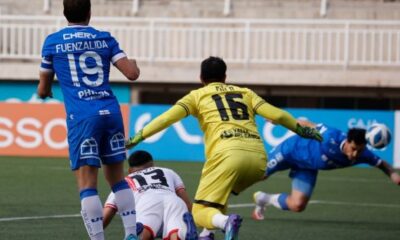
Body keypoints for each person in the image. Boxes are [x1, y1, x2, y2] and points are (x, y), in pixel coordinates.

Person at [125, 56, 322, 240]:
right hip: (258, 160)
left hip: (227, 156)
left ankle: (225, 222)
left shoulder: (197, 96)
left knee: (199, 212)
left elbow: (166, 118)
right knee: (220, 196)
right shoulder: (245, 93)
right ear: (225, 77)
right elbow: (278, 116)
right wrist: (302, 131)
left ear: (201, 78)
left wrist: (137, 137)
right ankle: (206, 234)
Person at [37, 0, 140, 239]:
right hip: (111, 112)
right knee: (118, 179)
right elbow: (132, 73)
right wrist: (133, 64)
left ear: (64, 13)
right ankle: (131, 233)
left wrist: (47, 90)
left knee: (87, 184)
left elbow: (43, 88)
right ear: (89, 12)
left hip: (82, 117)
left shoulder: (52, 42)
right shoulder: (105, 38)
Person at [252, 121, 400, 220]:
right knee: (258, 175)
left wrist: (394, 175)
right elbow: (306, 124)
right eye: (354, 149)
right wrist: (279, 120)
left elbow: (383, 165)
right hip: (291, 151)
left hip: (307, 167)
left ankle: (264, 199)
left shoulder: (363, 155)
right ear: (348, 141)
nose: (355, 155)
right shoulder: (330, 136)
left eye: (360, 151)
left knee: (298, 205)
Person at [103, 150, 198, 240]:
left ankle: (141, 233)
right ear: (152, 164)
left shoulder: (126, 180)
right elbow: (187, 203)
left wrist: (96, 231)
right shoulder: (168, 171)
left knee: (144, 231)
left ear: (130, 170)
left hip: (147, 203)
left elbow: (108, 211)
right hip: (174, 201)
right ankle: (181, 234)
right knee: (176, 233)